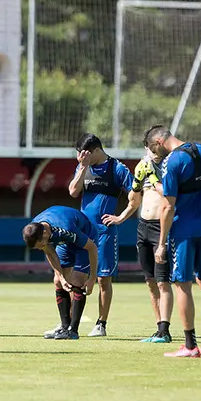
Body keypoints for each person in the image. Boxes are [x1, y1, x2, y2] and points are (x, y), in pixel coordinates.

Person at [144, 125, 201, 358]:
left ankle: (189, 346)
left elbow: (168, 206)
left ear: (158, 141)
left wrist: (161, 243)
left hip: (183, 233)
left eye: (153, 150)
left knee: (183, 285)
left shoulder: (172, 162)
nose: (155, 155)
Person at [102, 145, 174, 343]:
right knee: (150, 282)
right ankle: (159, 328)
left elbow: (170, 196)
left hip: (162, 227)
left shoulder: (170, 167)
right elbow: (133, 201)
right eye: (148, 149)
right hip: (143, 227)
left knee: (162, 281)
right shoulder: (142, 167)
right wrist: (120, 217)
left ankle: (165, 330)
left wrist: (152, 177)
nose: (151, 152)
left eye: (154, 148)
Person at [68, 133, 134, 337]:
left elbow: (136, 194)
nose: (81, 157)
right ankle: (69, 324)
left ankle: (101, 324)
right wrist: (83, 167)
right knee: (75, 277)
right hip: (84, 231)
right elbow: (73, 192)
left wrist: (120, 217)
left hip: (105, 232)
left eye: (85, 154)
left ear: (96, 149)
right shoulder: (83, 166)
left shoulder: (117, 169)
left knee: (103, 279)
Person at [23, 206, 99, 340]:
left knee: (77, 280)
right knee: (58, 282)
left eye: (40, 245)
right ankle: (64, 327)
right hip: (64, 244)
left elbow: (91, 248)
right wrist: (61, 277)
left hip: (85, 239)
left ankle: (73, 331)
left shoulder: (66, 229)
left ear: (45, 235)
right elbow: (50, 252)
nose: (41, 248)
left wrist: (93, 277)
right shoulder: (37, 228)